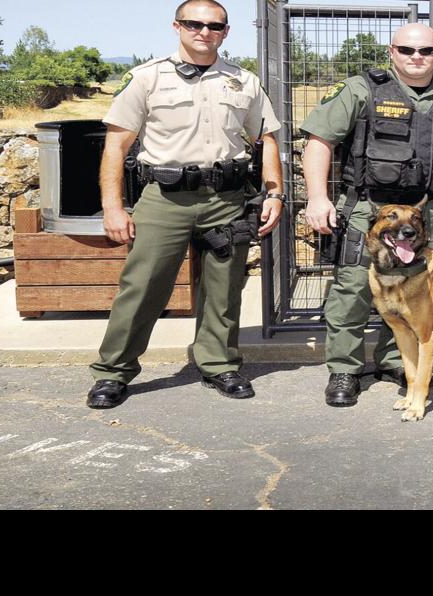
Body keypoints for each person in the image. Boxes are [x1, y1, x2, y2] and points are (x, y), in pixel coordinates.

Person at [86, 0, 283, 409]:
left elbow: (266, 140)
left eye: (215, 26)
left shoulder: (244, 81)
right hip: (164, 200)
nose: (204, 32)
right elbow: (115, 146)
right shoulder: (146, 78)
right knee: (141, 287)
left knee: (224, 288)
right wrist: (113, 207)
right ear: (177, 26)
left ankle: (219, 365)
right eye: (195, 24)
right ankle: (113, 372)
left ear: (226, 32)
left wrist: (275, 192)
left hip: (227, 199)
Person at [301, 23, 433, 407]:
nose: (417, 58)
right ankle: (345, 368)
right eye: (407, 50)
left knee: (419, 295)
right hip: (369, 208)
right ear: (391, 51)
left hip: (432, 212)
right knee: (354, 289)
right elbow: (319, 141)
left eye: (426, 51)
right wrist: (317, 197)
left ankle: (397, 362)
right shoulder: (362, 89)